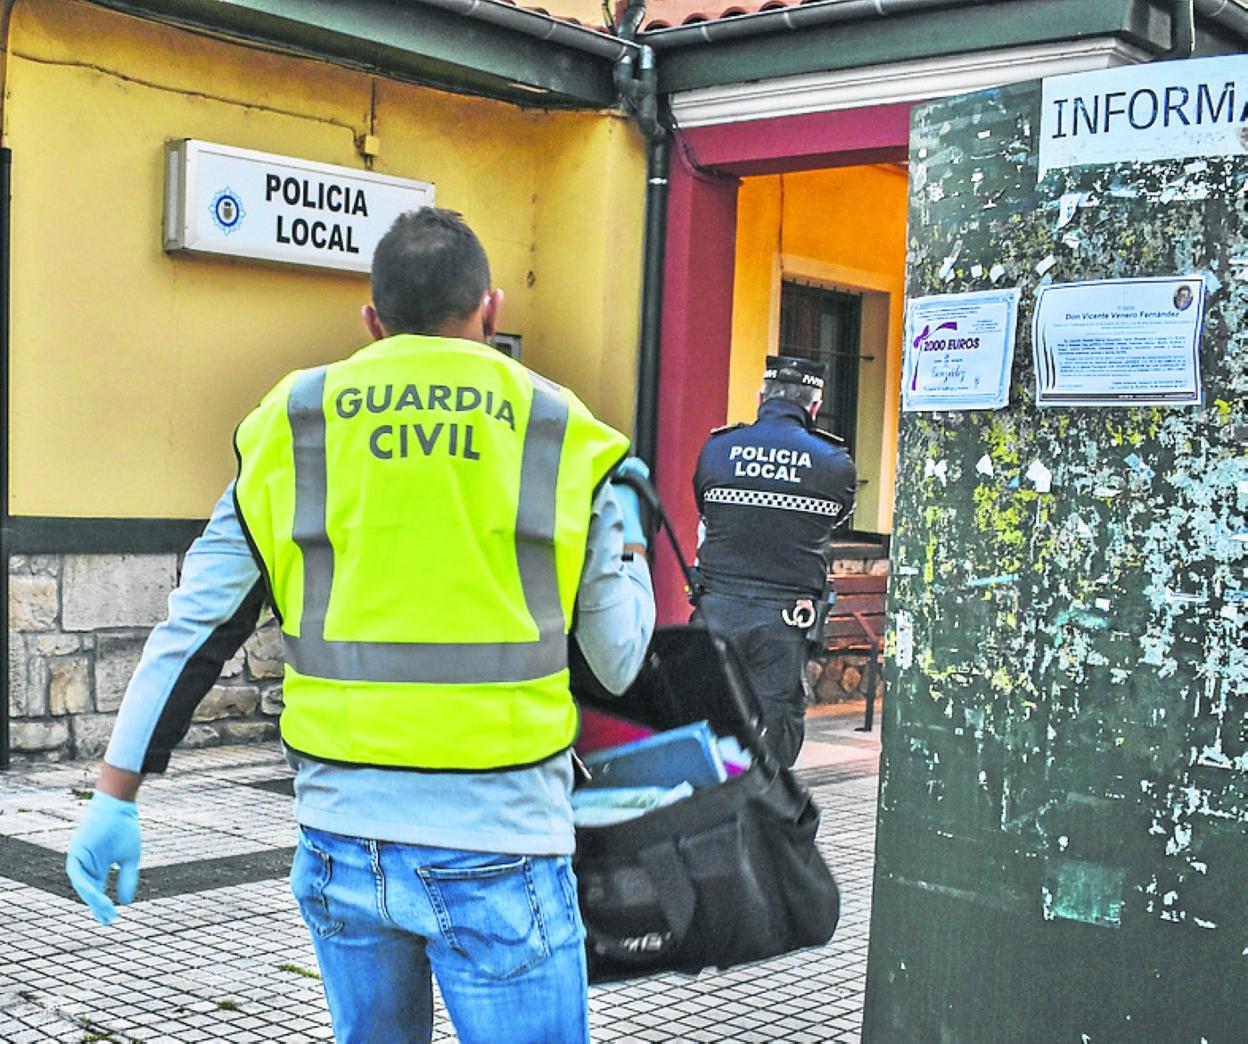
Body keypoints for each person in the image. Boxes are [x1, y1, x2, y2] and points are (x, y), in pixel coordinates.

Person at [63, 207, 656, 1044]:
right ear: (488, 310)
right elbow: (620, 657)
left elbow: (194, 629)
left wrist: (115, 796)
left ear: (372, 322)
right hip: (502, 841)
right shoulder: (566, 433)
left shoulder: (289, 424)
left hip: (344, 841)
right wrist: (629, 535)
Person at [690, 356, 856, 768]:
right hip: (784, 622)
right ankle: (767, 808)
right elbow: (834, 520)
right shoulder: (834, 463)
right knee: (776, 725)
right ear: (814, 407)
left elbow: (706, 511)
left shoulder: (717, 449)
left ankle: (707, 814)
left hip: (715, 610)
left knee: (706, 718)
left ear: (761, 398)